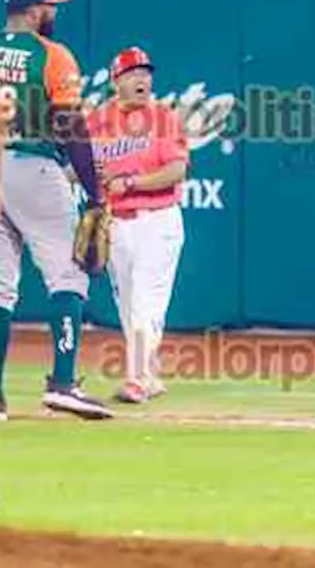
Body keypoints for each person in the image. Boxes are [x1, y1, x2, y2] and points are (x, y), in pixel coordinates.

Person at [0, 0, 111, 422]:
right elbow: (71, 127)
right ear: (32, 10)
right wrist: (96, 194)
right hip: (32, 166)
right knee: (68, 275)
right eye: (49, 5)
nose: (54, 12)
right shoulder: (52, 55)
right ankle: (63, 384)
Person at [87, 48, 189, 406]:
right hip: (117, 224)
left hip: (157, 221)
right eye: (133, 73)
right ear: (116, 81)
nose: (142, 79)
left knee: (147, 301)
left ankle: (136, 379)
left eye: (146, 72)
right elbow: (78, 169)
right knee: (130, 306)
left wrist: (130, 182)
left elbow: (177, 171)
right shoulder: (97, 121)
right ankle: (151, 374)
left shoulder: (163, 118)